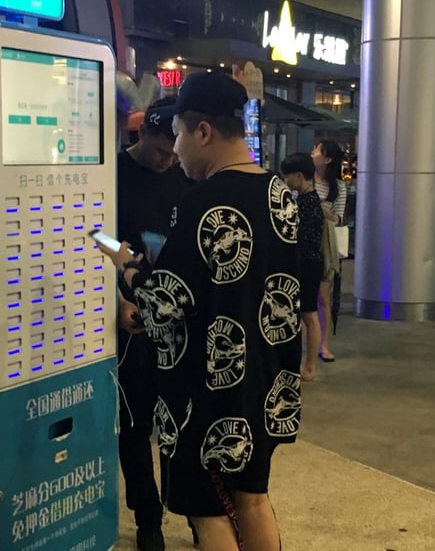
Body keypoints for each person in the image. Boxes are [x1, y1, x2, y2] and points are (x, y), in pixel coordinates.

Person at [99, 72, 300, 551]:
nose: (176, 149)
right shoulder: (280, 196)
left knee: (207, 513)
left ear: (203, 132)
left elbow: (162, 301)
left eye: (179, 135)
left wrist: (125, 265)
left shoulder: (204, 201)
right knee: (252, 500)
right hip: (265, 382)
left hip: (207, 393)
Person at [115, 97, 191, 551]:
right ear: (142, 134)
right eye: (162, 151)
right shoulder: (114, 174)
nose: (168, 161)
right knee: (135, 423)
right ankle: (148, 518)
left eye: (173, 153)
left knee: (181, 421)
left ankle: (193, 509)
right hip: (133, 317)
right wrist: (117, 297)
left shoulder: (183, 176)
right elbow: (94, 234)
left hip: (177, 319)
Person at [281, 153, 325, 381]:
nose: (285, 180)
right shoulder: (310, 200)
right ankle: (305, 364)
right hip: (310, 263)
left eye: (287, 176)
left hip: (306, 265)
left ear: (299, 175)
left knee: (308, 315)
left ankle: (309, 367)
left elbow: (301, 240)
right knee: (306, 315)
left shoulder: (306, 204)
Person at [311, 140, 346, 363]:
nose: (312, 153)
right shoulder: (304, 178)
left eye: (317, 150)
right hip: (304, 242)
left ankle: (323, 344)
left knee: (323, 297)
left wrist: (318, 206)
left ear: (328, 159)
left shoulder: (339, 187)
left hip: (326, 244)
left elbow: (338, 218)